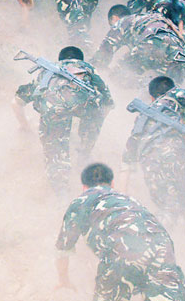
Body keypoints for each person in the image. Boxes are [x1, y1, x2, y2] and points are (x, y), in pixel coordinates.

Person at [56, 163, 185, 301]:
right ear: (112, 183)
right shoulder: (130, 201)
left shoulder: (81, 202)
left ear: (83, 186)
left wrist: (63, 279)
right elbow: (148, 252)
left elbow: (62, 248)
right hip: (162, 246)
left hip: (120, 250)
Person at [120, 76, 185, 237]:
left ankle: (156, 247)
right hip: (180, 155)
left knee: (167, 208)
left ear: (151, 97)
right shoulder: (177, 93)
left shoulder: (142, 118)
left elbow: (127, 162)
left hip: (151, 163)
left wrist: (121, 199)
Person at [13, 46, 112, 195]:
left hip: (54, 111)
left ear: (60, 60)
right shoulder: (88, 69)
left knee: (56, 157)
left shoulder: (47, 71)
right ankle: (84, 155)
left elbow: (16, 102)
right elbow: (108, 103)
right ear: (80, 60)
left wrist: (25, 125)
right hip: (87, 108)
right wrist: (91, 130)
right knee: (95, 111)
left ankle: (62, 195)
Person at [93, 4, 185, 82]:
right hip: (178, 50)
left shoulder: (122, 22)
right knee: (167, 84)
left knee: (119, 75)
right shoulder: (148, 19)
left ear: (114, 18)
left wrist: (93, 70)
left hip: (152, 43)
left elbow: (104, 52)